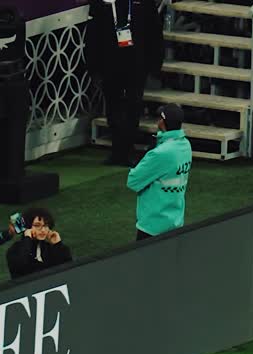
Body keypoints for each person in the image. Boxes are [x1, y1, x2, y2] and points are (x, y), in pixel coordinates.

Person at [86, 0, 164, 167]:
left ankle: (127, 150)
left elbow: (155, 32)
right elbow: (92, 35)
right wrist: (93, 67)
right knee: (113, 107)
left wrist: (155, 64)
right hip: (109, 63)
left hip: (137, 63)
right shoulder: (101, 3)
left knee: (133, 107)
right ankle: (117, 151)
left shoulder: (144, 3)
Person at [127, 105, 192, 241]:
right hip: (176, 221)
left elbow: (133, 181)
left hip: (152, 225)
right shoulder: (186, 145)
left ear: (162, 122)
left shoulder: (160, 153)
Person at [6, 207, 73, 278]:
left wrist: (58, 244)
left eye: (46, 225)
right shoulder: (14, 250)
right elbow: (21, 265)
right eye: (37, 225)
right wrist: (27, 239)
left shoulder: (49, 248)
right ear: (27, 227)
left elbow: (68, 267)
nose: (43, 230)